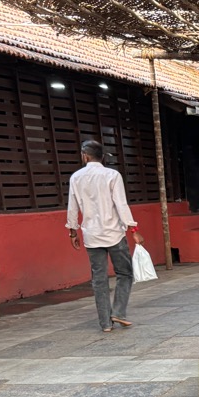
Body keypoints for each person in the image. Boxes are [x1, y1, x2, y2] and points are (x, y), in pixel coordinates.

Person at [66, 140, 143, 333]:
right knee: (124, 273)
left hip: (91, 235)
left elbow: (72, 206)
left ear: (85, 156)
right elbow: (121, 204)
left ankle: (105, 323)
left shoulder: (76, 177)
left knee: (98, 279)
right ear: (102, 156)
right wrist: (133, 229)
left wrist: (72, 230)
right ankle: (119, 312)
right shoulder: (112, 175)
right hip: (114, 233)